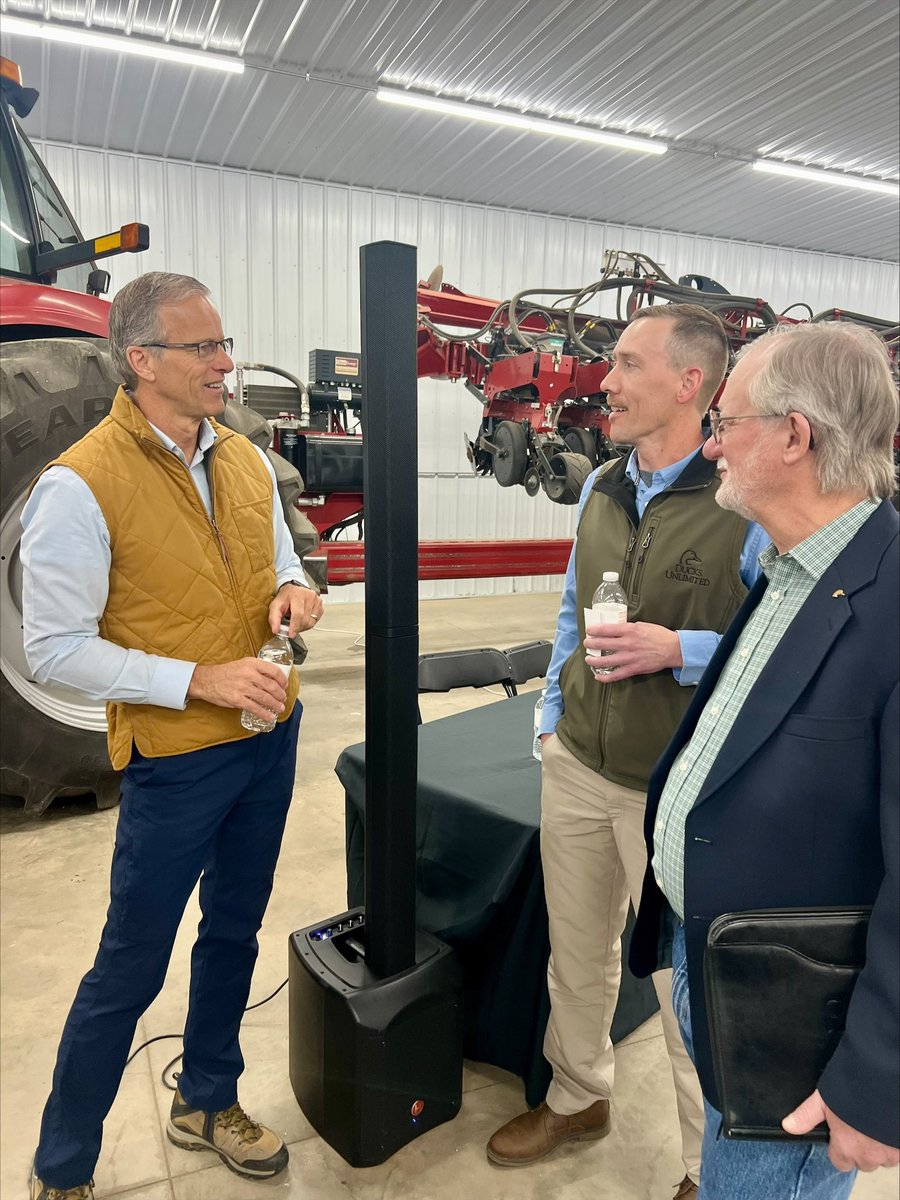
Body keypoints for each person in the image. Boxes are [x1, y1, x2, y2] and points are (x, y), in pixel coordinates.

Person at [23, 272, 324, 1200]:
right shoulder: (79, 485)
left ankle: (207, 1097)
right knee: (131, 963)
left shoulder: (238, 456)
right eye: (203, 349)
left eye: (224, 344)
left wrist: (294, 590)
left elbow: (281, 558)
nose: (225, 363)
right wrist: (196, 678)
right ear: (140, 359)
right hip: (176, 762)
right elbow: (52, 649)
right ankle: (63, 1166)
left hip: (266, 740)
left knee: (234, 931)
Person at [486, 303, 769, 1198]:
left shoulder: (744, 498)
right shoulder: (606, 485)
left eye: (627, 365)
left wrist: (677, 651)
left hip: (678, 788)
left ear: (690, 384)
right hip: (577, 764)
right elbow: (573, 611)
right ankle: (578, 1095)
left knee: (691, 993)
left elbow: (785, 643)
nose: (603, 381)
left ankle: (702, 1166)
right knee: (575, 955)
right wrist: (549, 719)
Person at [630, 320, 899, 1199]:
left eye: (726, 422)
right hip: (719, 961)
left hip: (801, 1021)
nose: (709, 446)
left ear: (795, 436)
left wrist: (877, 1078)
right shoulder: (789, 567)